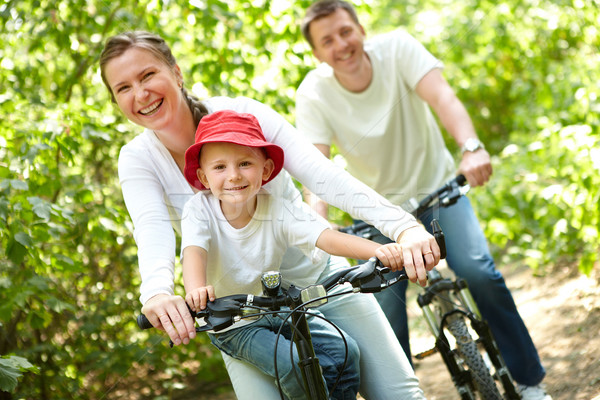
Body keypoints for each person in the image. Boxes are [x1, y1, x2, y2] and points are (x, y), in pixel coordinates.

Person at [99, 30, 435, 399]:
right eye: (123, 88)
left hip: (316, 277)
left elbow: (322, 175)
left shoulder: (243, 114)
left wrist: (404, 229)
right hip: (240, 313)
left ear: (177, 73)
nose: (140, 93)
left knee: (399, 393)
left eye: (147, 75)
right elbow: (152, 229)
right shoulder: (137, 158)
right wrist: (158, 293)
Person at [295, 1, 551, 399]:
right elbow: (316, 168)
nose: (340, 44)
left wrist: (471, 147)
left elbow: (443, 98)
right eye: (327, 40)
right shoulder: (314, 92)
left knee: (479, 270)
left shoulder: (397, 48)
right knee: (384, 314)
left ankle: (529, 381)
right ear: (316, 53)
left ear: (361, 28)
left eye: (346, 31)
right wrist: (318, 221)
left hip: (437, 192)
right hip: (381, 216)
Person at [181, 110, 414, 398]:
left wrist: (379, 251)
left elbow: (326, 238)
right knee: (291, 363)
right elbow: (194, 251)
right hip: (235, 323)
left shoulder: (277, 209)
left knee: (345, 352)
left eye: (244, 163)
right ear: (203, 177)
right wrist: (195, 289)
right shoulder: (198, 210)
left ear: (265, 170)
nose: (233, 175)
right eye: (219, 168)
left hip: (278, 309)